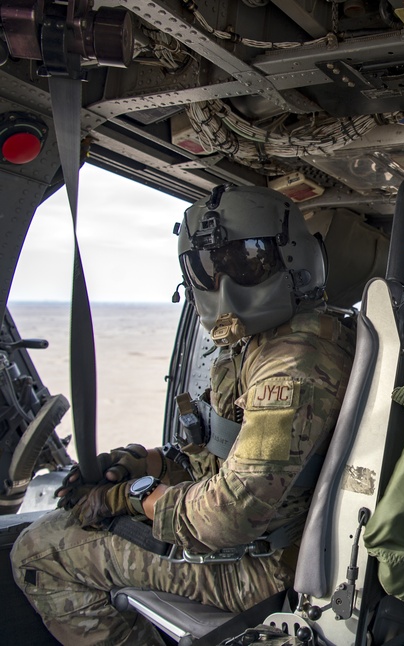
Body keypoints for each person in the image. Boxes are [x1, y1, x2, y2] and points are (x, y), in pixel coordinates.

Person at [11, 184, 355, 645]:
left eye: (247, 263)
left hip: (264, 570)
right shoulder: (273, 342)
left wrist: (135, 496)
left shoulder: (293, 366)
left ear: (294, 261)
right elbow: (228, 455)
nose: (225, 286)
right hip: (272, 541)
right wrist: (150, 464)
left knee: (39, 551)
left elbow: (226, 517)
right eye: (207, 268)